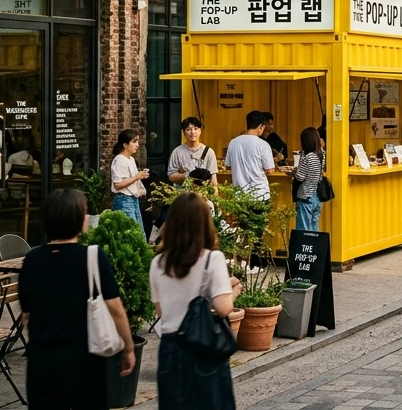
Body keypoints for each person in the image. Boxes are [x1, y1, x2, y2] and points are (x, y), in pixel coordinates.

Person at [20, 188, 136, 409]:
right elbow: (115, 308)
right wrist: (128, 347)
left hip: (41, 359)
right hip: (84, 358)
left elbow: (27, 314)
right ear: (77, 219)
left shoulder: (32, 259)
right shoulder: (92, 256)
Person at [151, 192, 239, 409]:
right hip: (203, 345)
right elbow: (224, 308)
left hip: (170, 347)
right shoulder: (212, 259)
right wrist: (232, 290)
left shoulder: (158, 262)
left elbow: (160, 311)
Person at [227, 111, 276, 201]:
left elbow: (228, 166)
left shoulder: (233, 143)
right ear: (261, 126)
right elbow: (270, 170)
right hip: (260, 194)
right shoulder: (263, 144)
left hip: (239, 194)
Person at [110, 130, 149, 233]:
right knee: (131, 233)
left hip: (133, 199)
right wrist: (137, 176)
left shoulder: (131, 159)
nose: (137, 145)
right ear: (125, 145)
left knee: (138, 233)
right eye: (134, 141)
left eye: (138, 141)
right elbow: (117, 184)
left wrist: (141, 176)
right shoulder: (119, 160)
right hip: (123, 199)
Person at [169, 117, 218, 187]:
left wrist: (215, 192)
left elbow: (213, 177)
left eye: (196, 129)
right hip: (183, 192)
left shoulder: (209, 152)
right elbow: (171, 176)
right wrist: (188, 176)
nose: (192, 132)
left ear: (200, 131)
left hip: (203, 192)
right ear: (184, 133)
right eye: (188, 129)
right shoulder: (177, 152)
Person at [293, 127, 325, 232]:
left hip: (305, 196)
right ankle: (314, 243)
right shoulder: (321, 154)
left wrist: (294, 173)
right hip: (316, 196)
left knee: (304, 230)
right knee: (314, 226)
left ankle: (305, 244)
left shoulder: (306, 157)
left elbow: (300, 177)